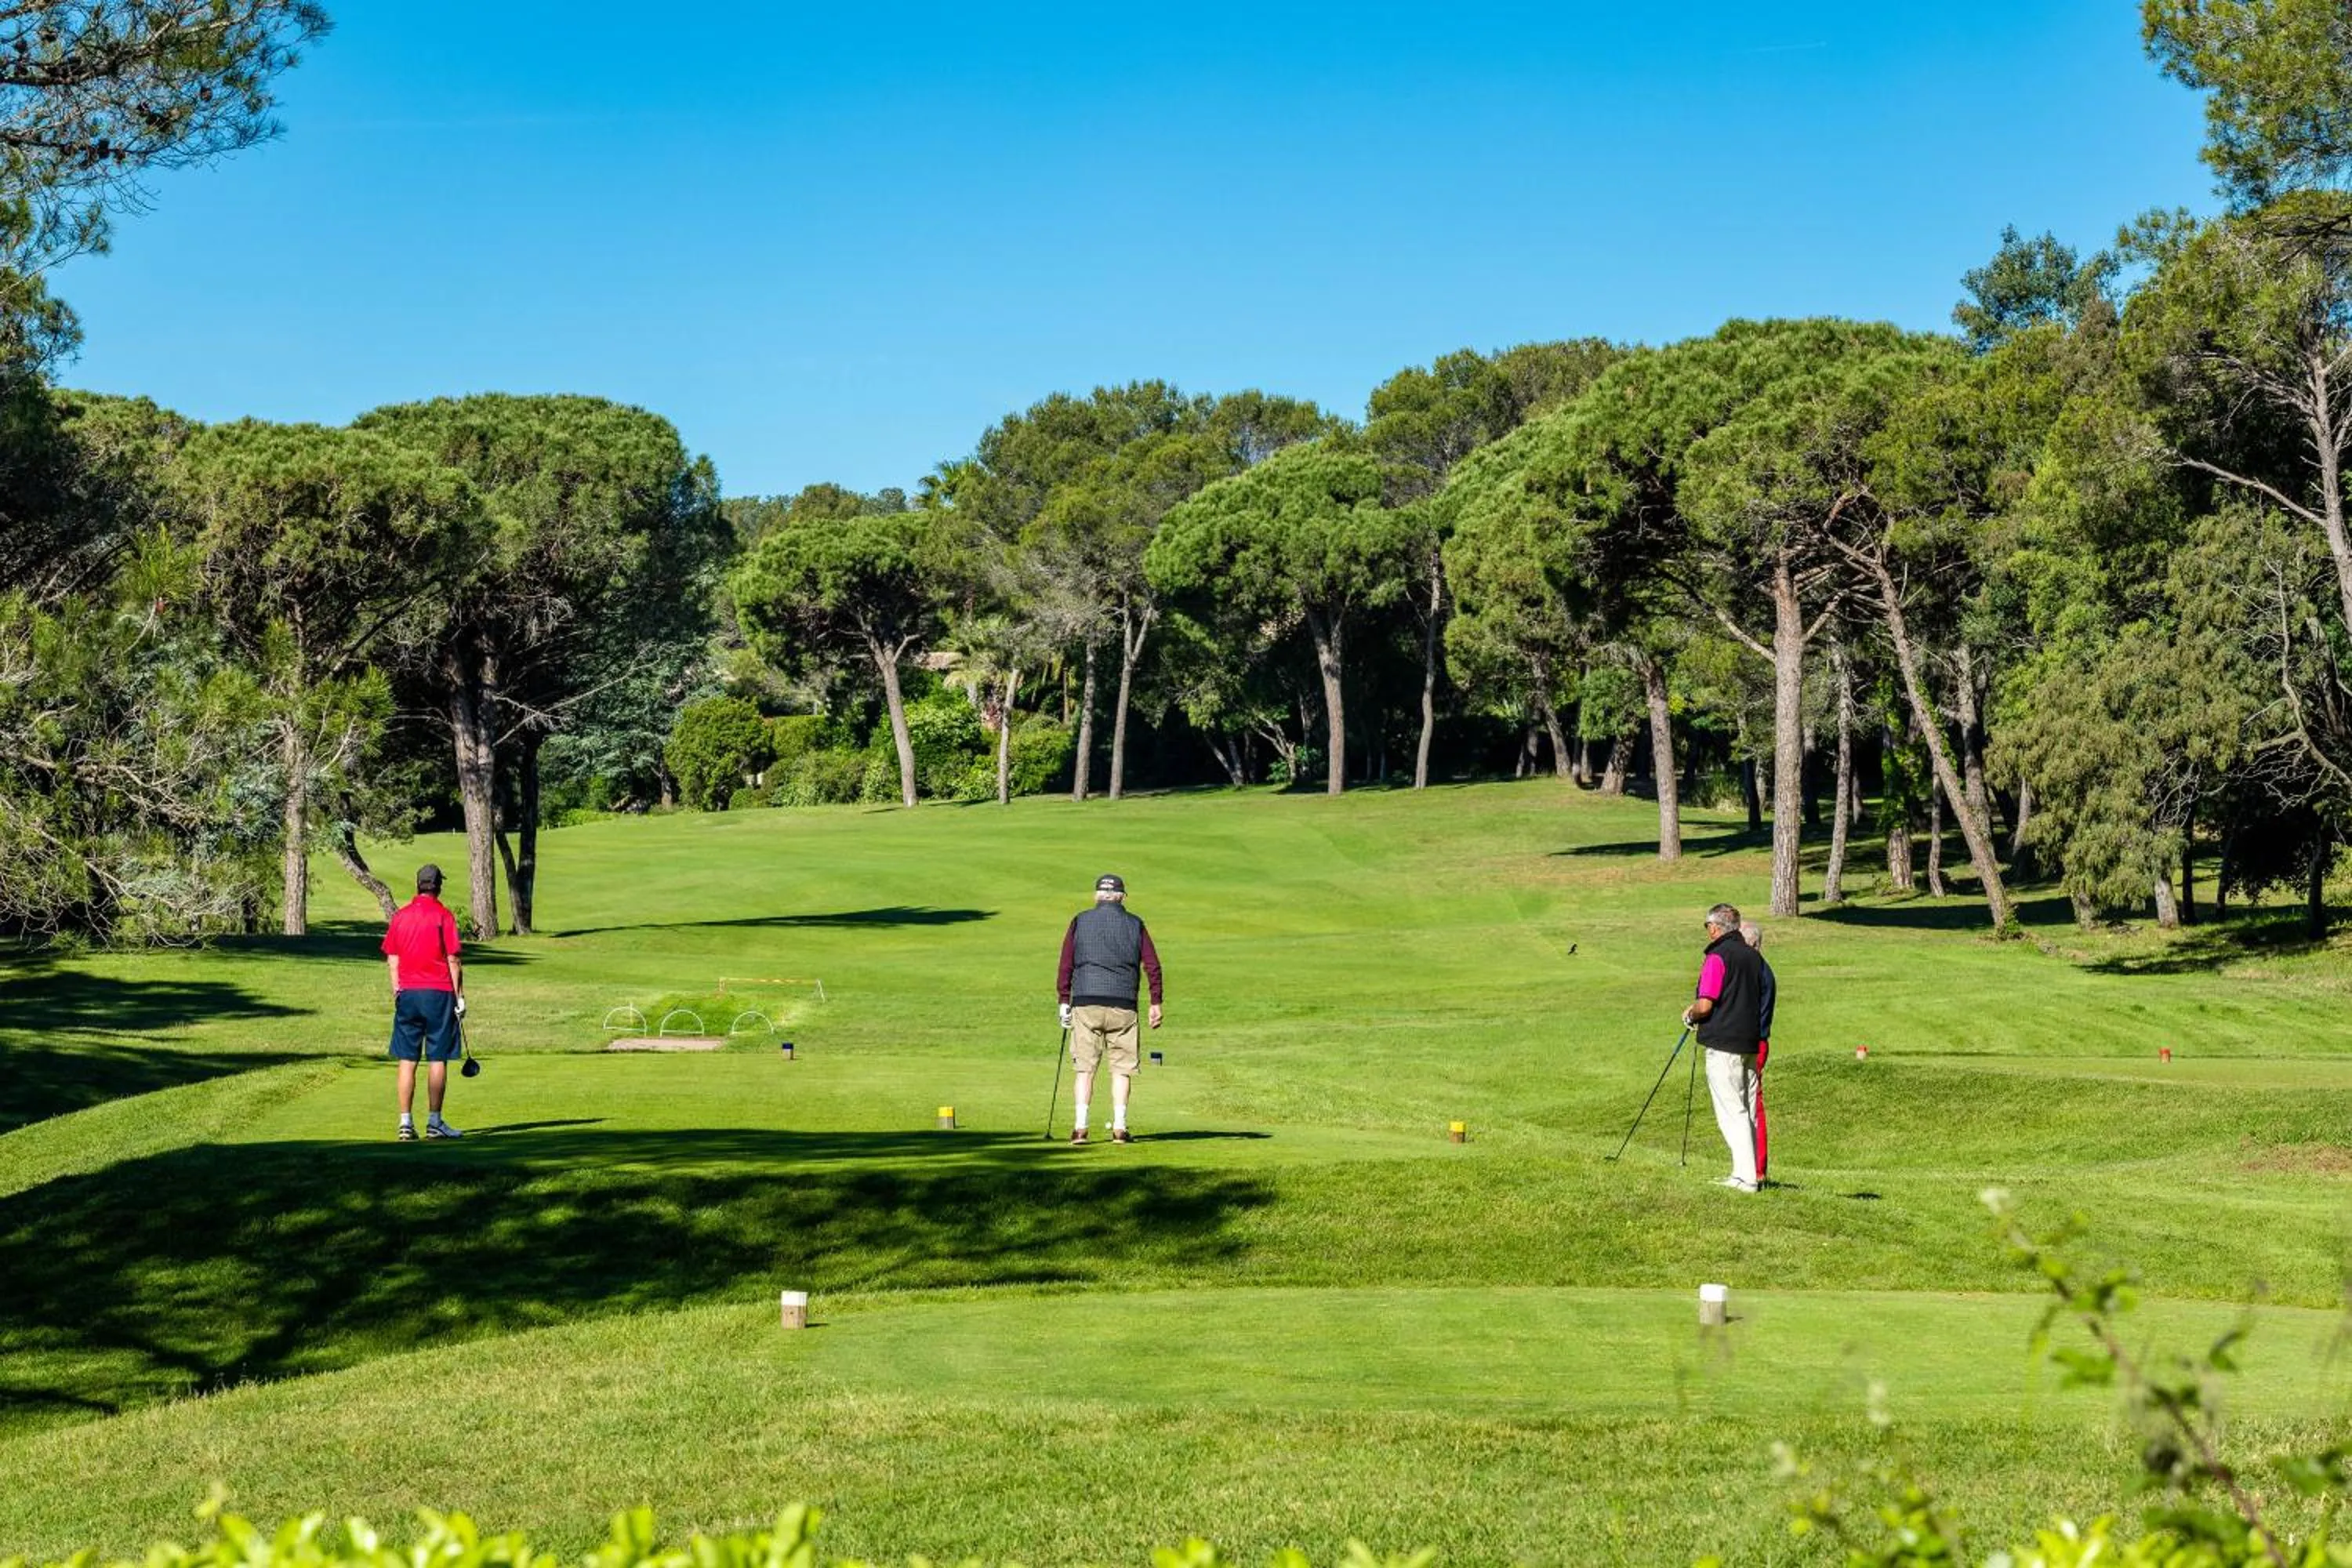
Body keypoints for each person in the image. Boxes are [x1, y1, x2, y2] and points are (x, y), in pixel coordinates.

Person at [1055, 873, 1164, 1145]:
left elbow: (1066, 964)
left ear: (1096, 896)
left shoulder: (1080, 921)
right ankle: (1119, 1128)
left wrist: (1063, 1001)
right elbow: (1152, 965)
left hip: (1086, 1004)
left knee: (1085, 1069)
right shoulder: (1135, 924)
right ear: (1122, 897)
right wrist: (1156, 1001)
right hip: (1123, 1006)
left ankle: (1080, 1128)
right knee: (1121, 1070)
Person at [1681, 902, 1764, 1192]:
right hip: (1750, 1042)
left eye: (1708, 927)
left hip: (1724, 1043)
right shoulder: (1753, 957)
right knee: (1747, 1108)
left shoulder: (1718, 956)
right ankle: (1746, 1173)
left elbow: (1705, 1005)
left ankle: (1745, 1177)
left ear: (1715, 928)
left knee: (1731, 1110)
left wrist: (1690, 1014)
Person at [383, 862, 466, 1141]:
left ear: (418, 885)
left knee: (408, 1058)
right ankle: (434, 1122)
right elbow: (453, 959)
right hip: (440, 993)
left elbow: (392, 959)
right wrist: (460, 997)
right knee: (437, 1057)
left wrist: (397, 989)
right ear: (438, 886)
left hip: (407, 994)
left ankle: (405, 1123)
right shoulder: (444, 915)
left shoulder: (400, 917)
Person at [1740, 917, 1777, 1182]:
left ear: (1751, 944)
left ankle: (1757, 1169)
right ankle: (1747, 1165)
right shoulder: (1755, 970)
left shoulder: (1759, 973)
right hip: (1750, 1041)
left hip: (1755, 1042)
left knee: (1753, 1104)